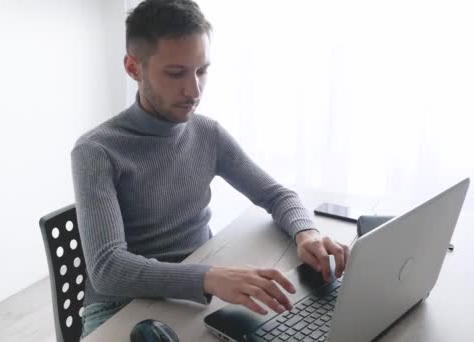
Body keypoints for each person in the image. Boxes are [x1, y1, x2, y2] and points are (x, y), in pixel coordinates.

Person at [71, 0, 349, 337]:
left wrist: (307, 234)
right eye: (175, 73)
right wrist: (209, 277)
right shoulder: (96, 150)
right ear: (133, 68)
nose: (194, 90)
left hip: (197, 290)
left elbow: (274, 194)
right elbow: (107, 268)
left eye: (201, 70)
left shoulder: (207, 133)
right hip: (121, 307)